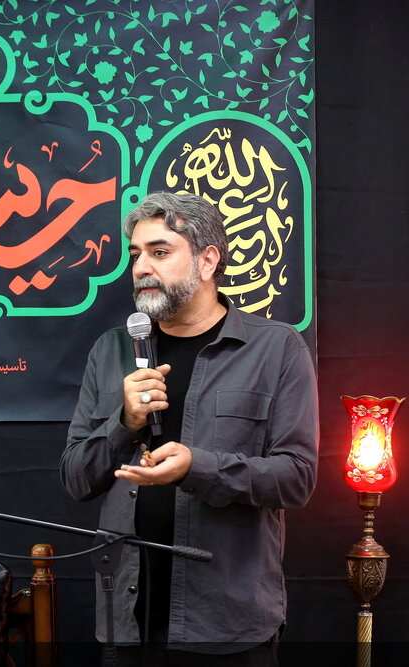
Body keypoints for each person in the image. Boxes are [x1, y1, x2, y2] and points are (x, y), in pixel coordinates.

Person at [59, 192, 318, 663]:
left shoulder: (277, 349)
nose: (140, 268)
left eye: (159, 252)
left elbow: (296, 478)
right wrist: (124, 422)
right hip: (127, 624)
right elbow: (77, 479)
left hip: (225, 624)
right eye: (135, 254)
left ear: (207, 260)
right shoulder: (111, 350)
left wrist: (195, 468)